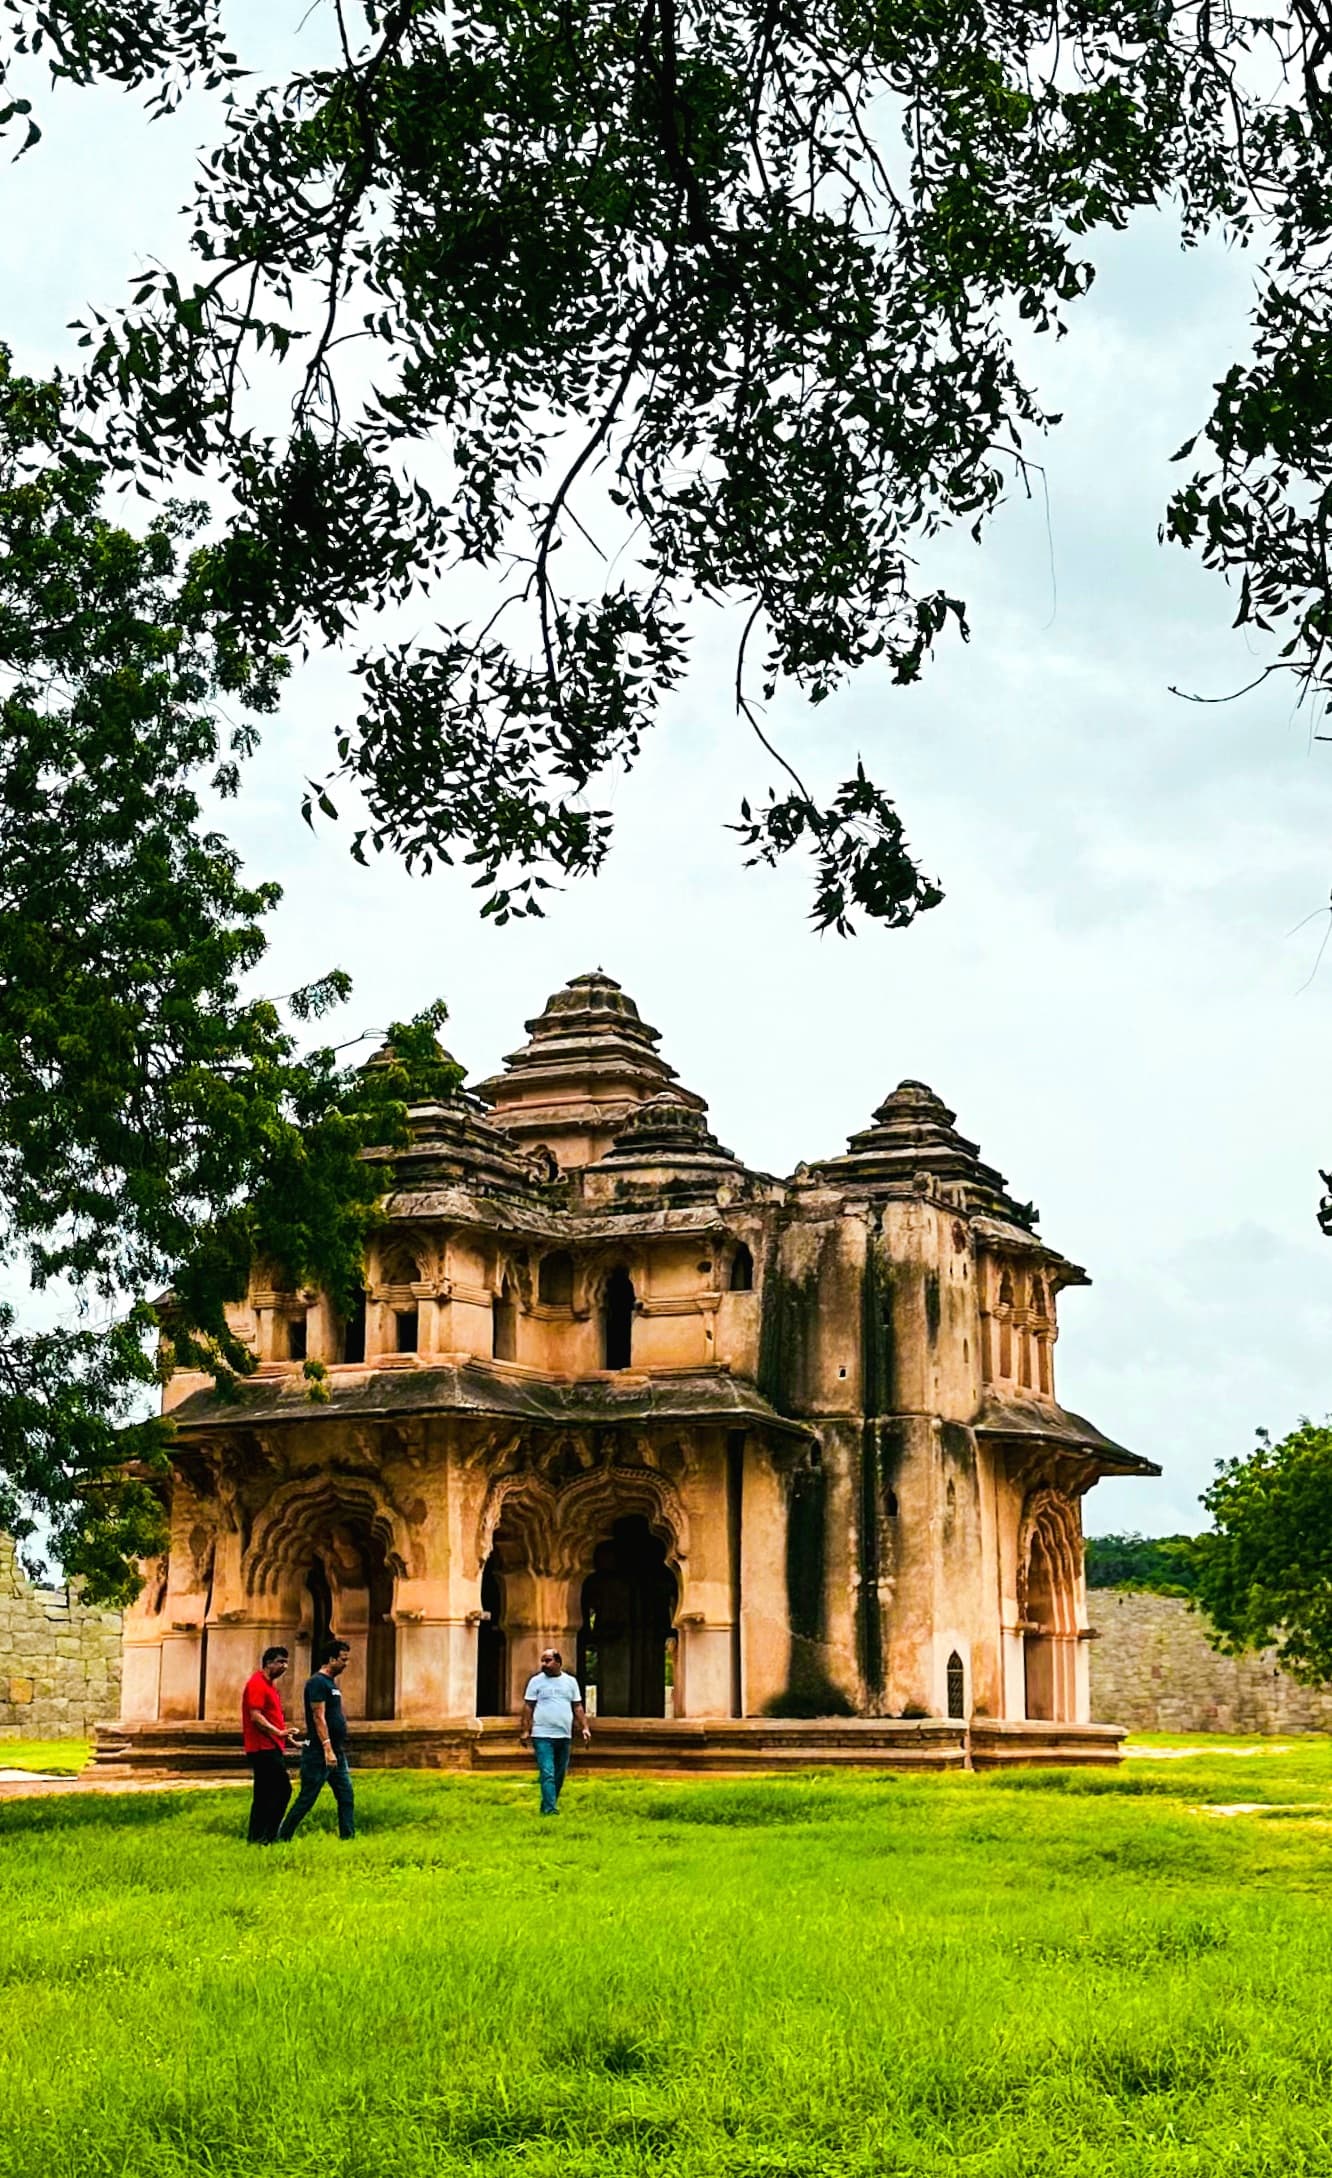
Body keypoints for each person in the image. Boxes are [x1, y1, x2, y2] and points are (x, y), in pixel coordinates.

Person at [277, 1639, 356, 1842]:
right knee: (307, 1797)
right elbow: (318, 1716)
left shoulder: (331, 1684)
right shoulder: (317, 1683)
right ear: (331, 1659)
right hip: (319, 1751)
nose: (346, 1664)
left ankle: (348, 1837)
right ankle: (283, 1836)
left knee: (346, 1796)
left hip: (336, 1750)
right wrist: (326, 1747)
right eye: (343, 1659)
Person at [241, 1644, 300, 1844]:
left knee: (264, 1794)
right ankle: (268, 1835)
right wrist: (278, 1732)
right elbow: (256, 1716)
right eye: (280, 1662)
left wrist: (286, 1737)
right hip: (262, 1747)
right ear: (268, 1663)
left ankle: (257, 1837)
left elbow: (271, 1717)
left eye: (286, 1662)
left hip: (271, 1745)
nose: (284, 1666)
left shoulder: (270, 1686)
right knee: (282, 1790)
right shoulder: (257, 1683)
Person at [520, 1647, 591, 1816]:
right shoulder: (536, 1681)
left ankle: (547, 1806)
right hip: (542, 1734)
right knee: (548, 1773)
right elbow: (528, 1707)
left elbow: (577, 1706)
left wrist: (585, 1727)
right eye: (542, 1661)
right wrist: (525, 1730)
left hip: (564, 1734)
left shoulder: (570, 1682)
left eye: (548, 1660)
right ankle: (551, 1810)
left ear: (558, 1662)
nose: (544, 1664)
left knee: (559, 1774)